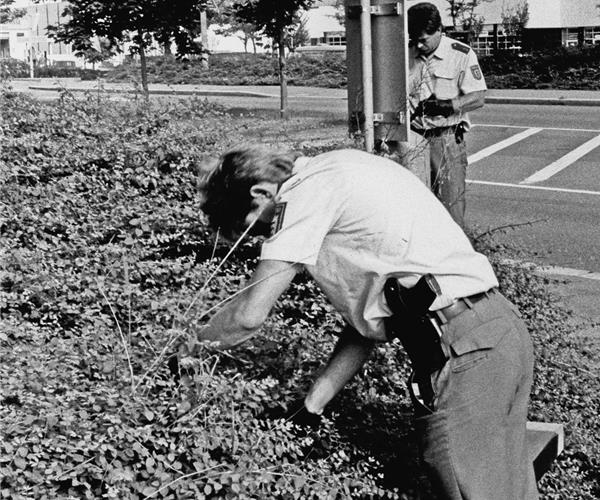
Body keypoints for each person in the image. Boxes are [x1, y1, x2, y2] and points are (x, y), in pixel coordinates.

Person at [196, 144, 534, 499]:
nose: (266, 236)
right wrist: (313, 405)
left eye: (256, 226)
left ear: (262, 192)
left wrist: (186, 351)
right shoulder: (343, 166)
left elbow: (248, 316)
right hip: (493, 332)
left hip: (465, 351)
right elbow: (370, 323)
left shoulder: (304, 192)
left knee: (468, 488)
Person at [407, 2, 487, 228]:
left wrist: (448, 105)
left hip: (445, 140)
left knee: (451, 212)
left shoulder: (460, 55)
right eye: (415, 39)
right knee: (416, 210)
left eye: (424, 39)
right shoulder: (405, 54)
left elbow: (478, 96)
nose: (420, 45)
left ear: (439, 30)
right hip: (413, 139)